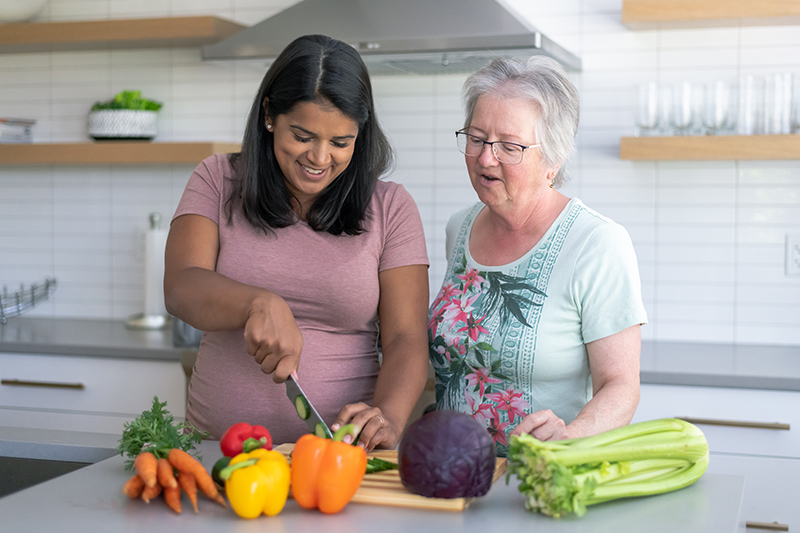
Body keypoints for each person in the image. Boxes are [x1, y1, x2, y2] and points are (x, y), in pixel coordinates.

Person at [165, 34, 430, 451]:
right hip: (216, 453)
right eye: (303, 136)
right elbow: (181, 285)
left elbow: (406, 339)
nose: (321, 158)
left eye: (340, 143)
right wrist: (258, 302)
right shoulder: (217, 179)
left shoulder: (391, 207)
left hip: (339, 460)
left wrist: (389, 418)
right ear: (270, 114)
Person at [428, 56, 647, 456]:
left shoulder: (597, 243)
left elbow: (621, 386)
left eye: (509, 146)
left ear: (554, 157)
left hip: (538, 480)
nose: (485, 158)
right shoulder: (459, 229)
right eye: (476, 138)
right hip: (449, 474)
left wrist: (571, 438)